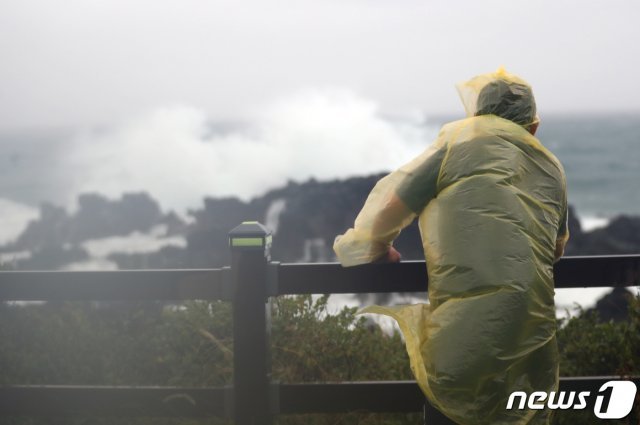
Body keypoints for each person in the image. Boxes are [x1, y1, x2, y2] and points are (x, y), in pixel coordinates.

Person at [333, 67, 569, 424]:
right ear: (532, 126)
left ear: (476, 114)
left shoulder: (458, 144)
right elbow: (555, 249)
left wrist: (375, 248)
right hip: (531, 337)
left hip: (462, 338)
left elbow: (390, 208)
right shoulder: (552, 168)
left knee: (455, 399)